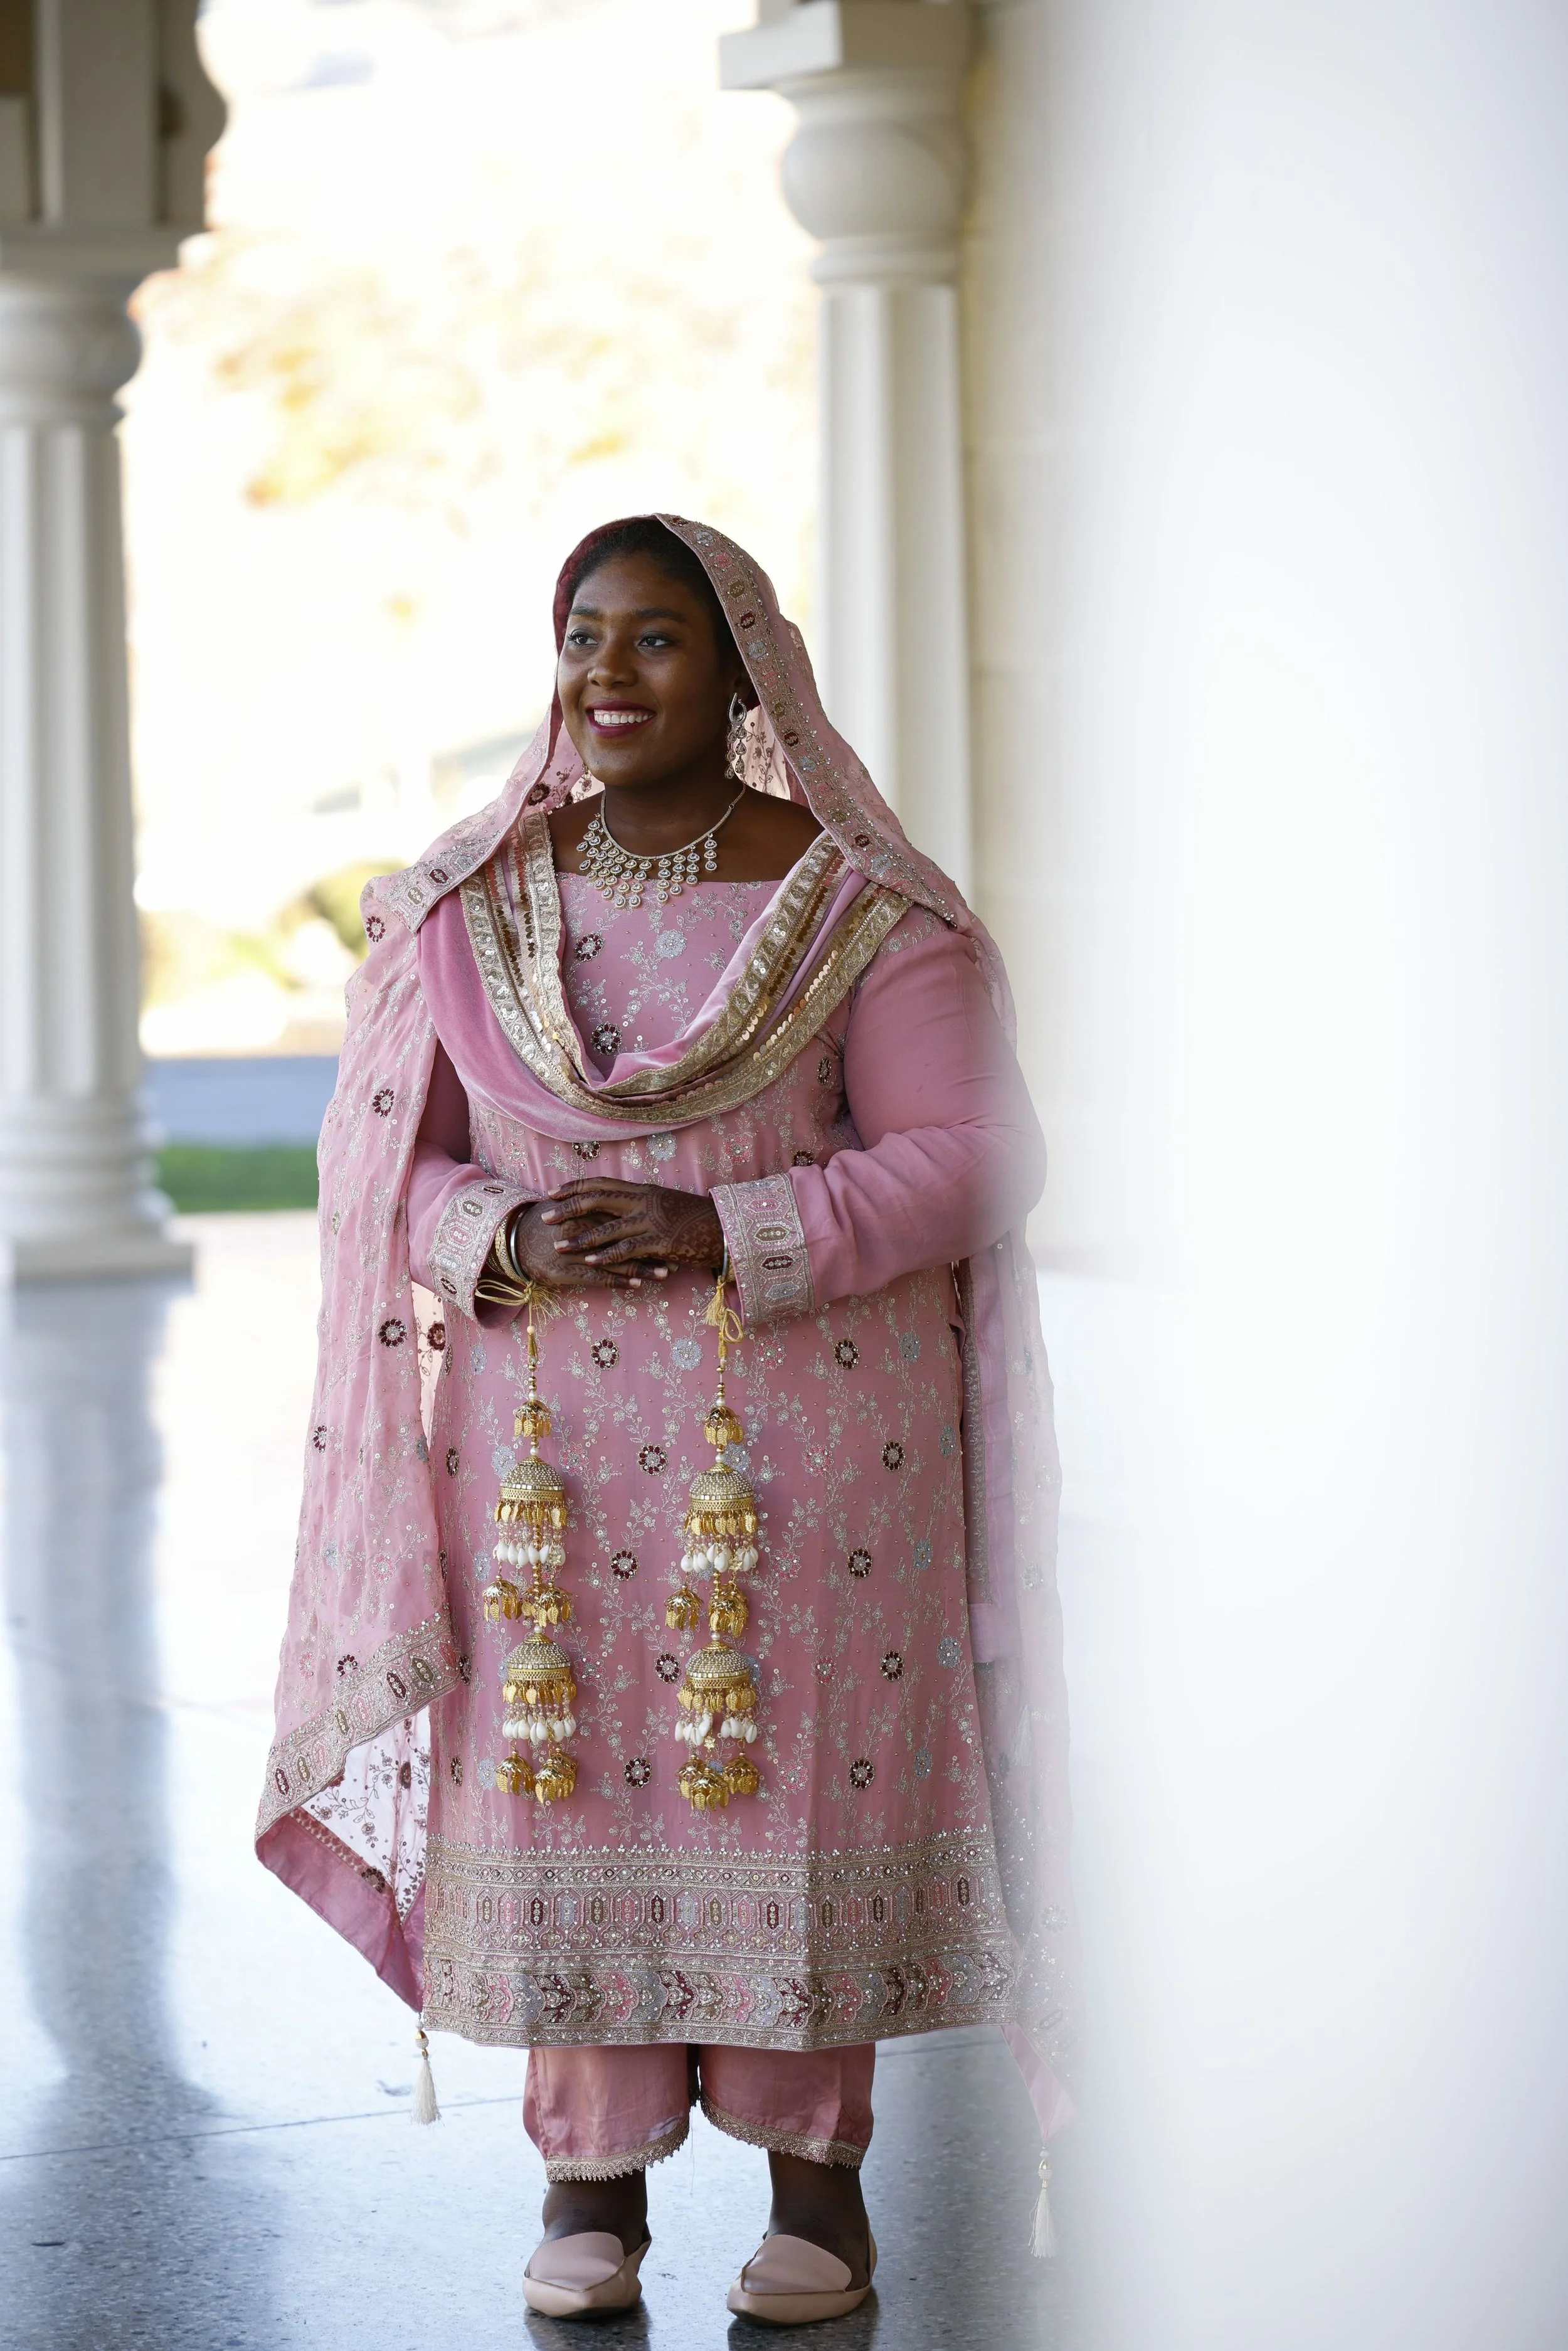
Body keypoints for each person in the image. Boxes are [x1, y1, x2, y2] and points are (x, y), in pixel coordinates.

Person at [258, 514, 1078, 2324]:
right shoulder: (471, 902)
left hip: (806, 1432)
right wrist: (488, 1229)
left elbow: (973, 1153)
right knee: (561, 1765)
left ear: (742, 671)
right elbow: (384, 1155)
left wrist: (739, 1226)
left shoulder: (863, 903)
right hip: (538, 1444)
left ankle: (819, 2192)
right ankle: (588, 2184)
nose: (608, 673)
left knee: (784, 1769)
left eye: (655, 639)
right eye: (583, 634)